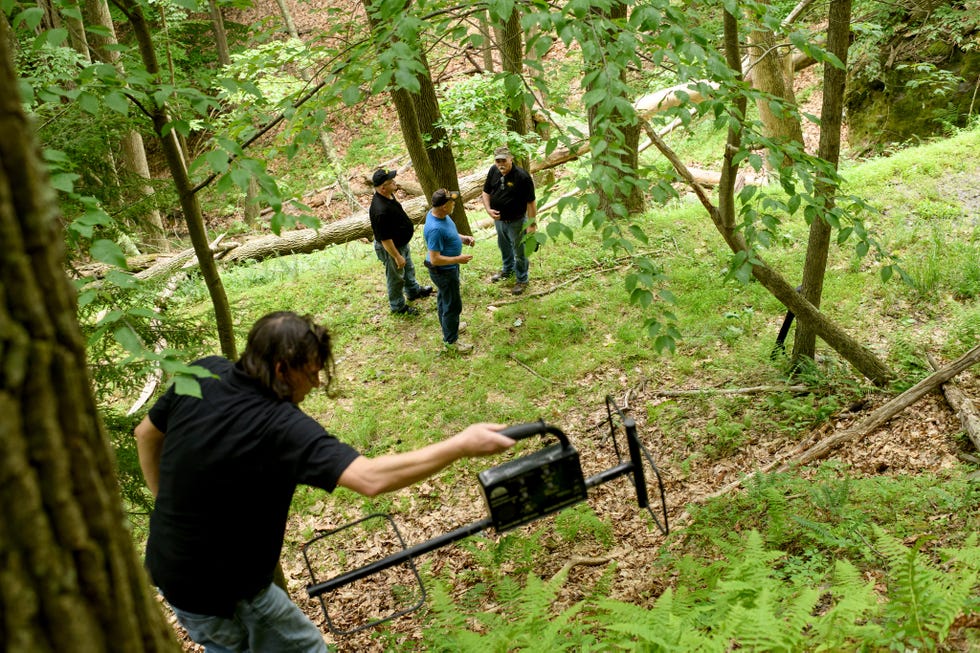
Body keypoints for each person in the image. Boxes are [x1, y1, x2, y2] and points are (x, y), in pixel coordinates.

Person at [134, 311, 514, 652]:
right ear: (282, 369)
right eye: (310, 372)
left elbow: (145, 435)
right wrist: (460, 445)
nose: (316, 383)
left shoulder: (205, 373)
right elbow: (370, 478)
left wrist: (164, 502)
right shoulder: (280, 426)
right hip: (230, 593)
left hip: (171, 575)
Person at [369, 167, 433, 316]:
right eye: (391, 181)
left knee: (408, 268)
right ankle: (397, 306)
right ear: (383, 187)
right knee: (396, 277)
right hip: (391, 248)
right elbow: (385, 239)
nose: (395, 182)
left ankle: (413, 291)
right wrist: (397, 256)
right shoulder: (380, 210)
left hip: (401, 243)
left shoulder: (388, 195)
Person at [423, 189, 475, 354]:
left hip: (448, 269)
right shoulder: (434, 229)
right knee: (452, 305)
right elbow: (435, 259)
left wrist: (462, 238)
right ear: (444, 206)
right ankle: (451, 342)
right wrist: (458, 259)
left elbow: (450, 233)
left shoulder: (440, 215)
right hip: (443, 271)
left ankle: (449, 326)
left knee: (444, 299)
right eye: (452, 203)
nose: (454, 204)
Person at [481, 146, 537, 295]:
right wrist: (488, 209)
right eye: (497, 161)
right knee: (504, 246)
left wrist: (532, 224)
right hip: (499, 221)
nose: (501, 164)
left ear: (510, 159)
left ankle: (522, 279)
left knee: (520, 252)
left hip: (517, 221)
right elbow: (485, 192)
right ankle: (507, 270)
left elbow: (531, 202)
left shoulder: (522, 177)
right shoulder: (493, 171)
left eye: (503, 160)